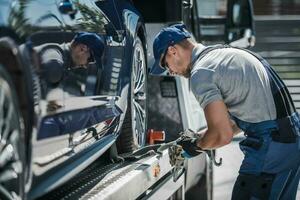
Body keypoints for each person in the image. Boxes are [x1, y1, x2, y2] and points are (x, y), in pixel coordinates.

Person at [150, 24, 300, 199]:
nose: (170, 71)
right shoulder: (226, 53)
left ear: (173, 50)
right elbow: (244, 117)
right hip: (290, 142)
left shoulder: (201, 73)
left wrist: (193, 147)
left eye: (164, 64)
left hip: (270, 149)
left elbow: (222, 135)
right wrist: (201, 137)